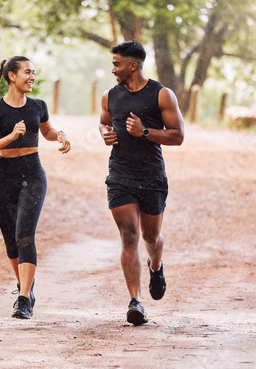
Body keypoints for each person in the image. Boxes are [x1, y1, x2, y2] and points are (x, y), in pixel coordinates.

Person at [0, 56, 71, 319]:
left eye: (33, 73)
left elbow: (46, 131)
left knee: (25, 235)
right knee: (11, 242)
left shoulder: (38, 105)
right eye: (27, 72)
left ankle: (24, 298)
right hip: (4, 176)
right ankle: (24, 286)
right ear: (11, 76)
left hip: (33, 174)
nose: (32, 77)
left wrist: (59, 135)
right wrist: (11, 137)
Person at [99, 41, 184, 326]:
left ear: (132, 66)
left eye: (117, 64)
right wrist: (105, 132)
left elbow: (178, 136)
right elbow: (103, 121)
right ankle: (135, 302)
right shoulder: (109, 96)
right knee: (129, 236)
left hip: (151, 176)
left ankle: (156, 265)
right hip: (120, 174)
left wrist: (145, 131)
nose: (113, 70)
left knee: (150, 238)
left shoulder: (162, 94)